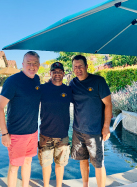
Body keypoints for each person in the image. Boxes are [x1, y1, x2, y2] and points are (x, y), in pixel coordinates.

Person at [0, 51, 41, 187]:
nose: (32, 66)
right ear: (23, 64)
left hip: (32, 132)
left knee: (28, 162)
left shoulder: (37, 79)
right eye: (29, 63)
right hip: (16, 133)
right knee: (14, 166)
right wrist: (4, 133)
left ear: (39, 64)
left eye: (35, 63)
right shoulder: (13, 81)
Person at [69, 55, 112, 187]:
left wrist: (106, 127)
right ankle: (85, 185)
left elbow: (108, 104)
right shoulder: (72, 83)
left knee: (98, 164)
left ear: (87, 66)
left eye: (80, 66)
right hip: (78, 130)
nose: (78, 69)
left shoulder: (98, 81)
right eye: (75, 67)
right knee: (82, 160)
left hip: (94, 131)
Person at [38, 62, 72, 187]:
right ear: (50, 73)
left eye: (59, 71)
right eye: (54, 71)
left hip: (62, 134)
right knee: (46, 164)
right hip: (45, 134)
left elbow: (82, 103)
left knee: (60, 164)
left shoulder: (68, 90)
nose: (57, 74)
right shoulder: (43, 89)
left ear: (63, 73)